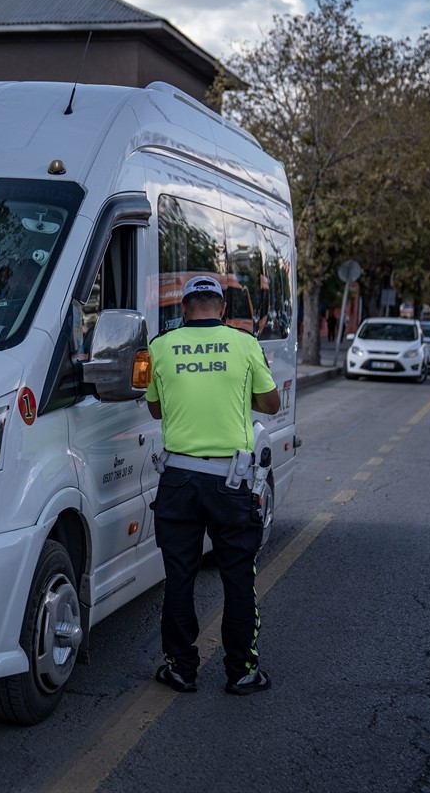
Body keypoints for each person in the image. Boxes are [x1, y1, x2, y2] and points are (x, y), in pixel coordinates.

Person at [144, 275, 282, 696]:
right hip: (231, 480)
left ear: (184, 309)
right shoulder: (245, 344)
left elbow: (155, 409)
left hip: (179, 479)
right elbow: (271, 403)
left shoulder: (160, 347)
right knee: (238, 578)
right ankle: (241, 671)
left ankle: (181, 669)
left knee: (179, 576)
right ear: (222, 309)